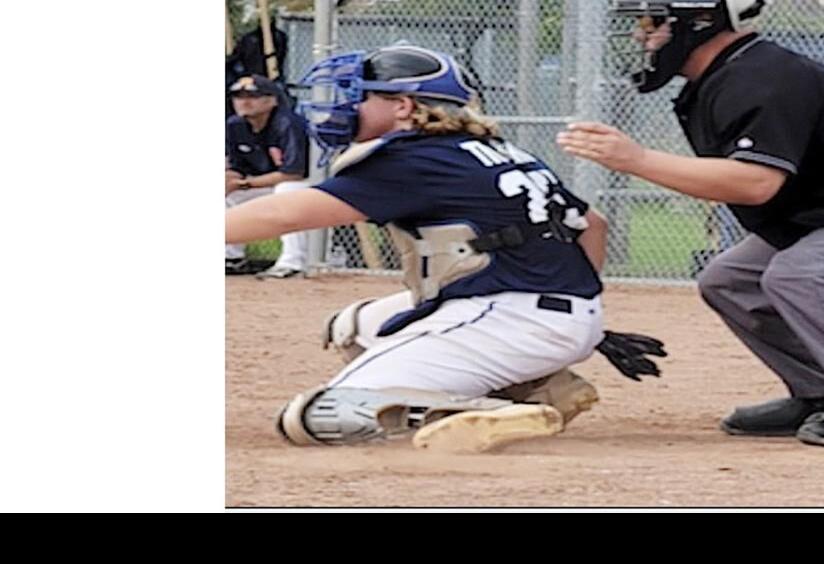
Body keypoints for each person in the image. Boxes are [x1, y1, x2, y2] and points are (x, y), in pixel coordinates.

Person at [557, 0, 824, 447]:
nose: (640, 37)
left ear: (697, 23)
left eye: (651, 26)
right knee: (731, 280)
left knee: (807, 272)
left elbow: (755, 183)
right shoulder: (726, 76)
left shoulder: (760, 76)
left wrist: (638, 160)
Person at [226, 45, 665, 452]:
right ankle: (538, 383)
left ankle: (493, 411)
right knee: (354, 326)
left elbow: (283, 216)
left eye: (360, 96)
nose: (345, 106)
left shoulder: (415, 159)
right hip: (538, 312)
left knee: (320, 415)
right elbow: (592, 225)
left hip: (509, 316)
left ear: (403, 106)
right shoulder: (493, 149)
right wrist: (580, 311)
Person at [225, 74, 310, 278]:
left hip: (308, 184)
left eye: (252, 96)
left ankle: (292, 263)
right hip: (261, 184)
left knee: (287, 193)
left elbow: (294, 173)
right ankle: (231, 257)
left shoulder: (288, 123)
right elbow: (237, 165)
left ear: (271, 100)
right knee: (227, 196)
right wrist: (229, 179)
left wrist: (245, 184)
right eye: (238, 96)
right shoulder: (235, 125)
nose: (243, 101)